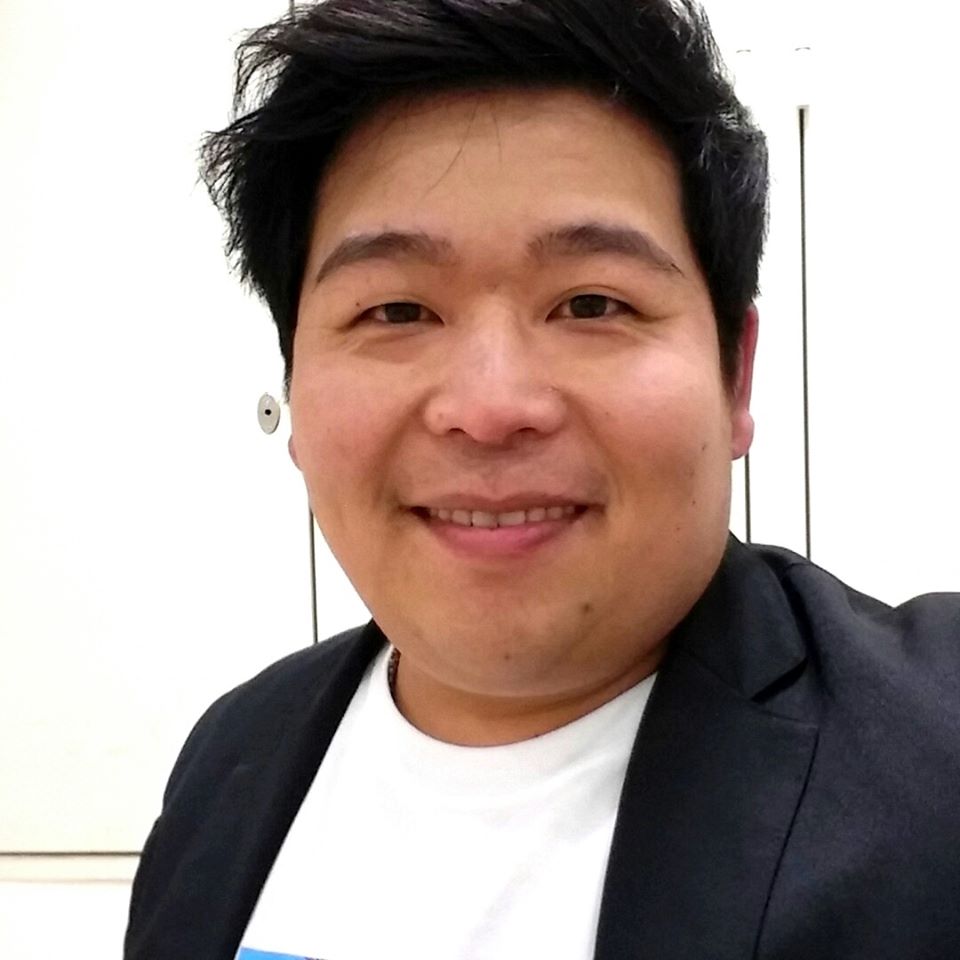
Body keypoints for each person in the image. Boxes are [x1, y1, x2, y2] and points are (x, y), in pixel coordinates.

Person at [123, 1, 960, 958]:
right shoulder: (229, 758)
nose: (489, 407)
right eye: (396, 311)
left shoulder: (938, 758)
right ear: (294, 388)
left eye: (592, 303)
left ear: (736, 375)